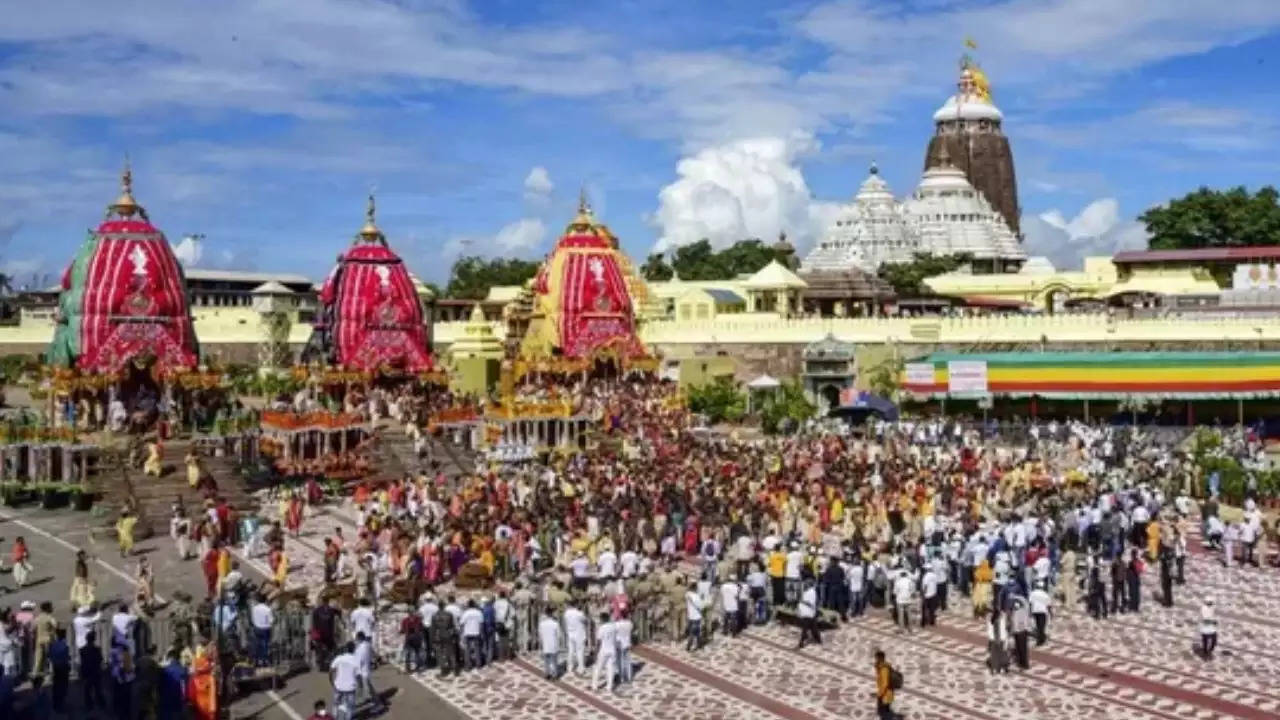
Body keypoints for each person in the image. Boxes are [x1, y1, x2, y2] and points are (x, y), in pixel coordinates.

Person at [354, 632, 385, 713]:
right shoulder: (368, 645)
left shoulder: (360, 649)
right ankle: (355, 703)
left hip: (362, 673)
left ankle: (378, 704)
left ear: (359, 639)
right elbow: (374, 654)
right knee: (364, 688)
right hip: (366, 671)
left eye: (356, 639)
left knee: (368, 690)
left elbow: (358, 662)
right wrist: (376, 660)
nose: (355, 641)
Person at [329, 642, 360, 720]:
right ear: (354, 649)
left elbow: (331, 670)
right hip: (350, 687)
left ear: (346, 649)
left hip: (338, 686)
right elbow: (358, 675)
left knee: (336, 704)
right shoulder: (356, 660)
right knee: (350, 707)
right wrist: (360, 686)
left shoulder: (339, 658)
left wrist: (332, 682)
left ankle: (335, 717)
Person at [159, 648, 189, 720]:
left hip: (166, 703)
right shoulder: (183, 670)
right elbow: (185, 687)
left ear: (170, 658)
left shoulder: (164, 671)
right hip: (179, 703)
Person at [80, 630, 105, 712]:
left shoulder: (82, 649)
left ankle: (89, 705)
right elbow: (100, 659)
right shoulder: (97, 649)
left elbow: (82, 662)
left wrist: (82, 673)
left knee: (87, 690)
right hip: (96, 671)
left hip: (87, 672)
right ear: (94, 639)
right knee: (98, 689)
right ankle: (100, 704)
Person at [592, 612, 617, 692]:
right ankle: (609, 687)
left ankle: (594, 685)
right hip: (612, 649)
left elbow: (599, 641)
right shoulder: (613, 627)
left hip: (603, 649)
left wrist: (596, 652)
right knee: (610, 668)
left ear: (602, 619)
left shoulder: (602, 628)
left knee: (598, 668)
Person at [874, 650, 902, 720]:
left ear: (880, 658)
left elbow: (885, 684)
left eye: (877, 658)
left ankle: (893, 717)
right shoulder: (883, 666)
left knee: (883, 713)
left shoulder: (884, 669)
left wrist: (879, 694)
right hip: (887, 694)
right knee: (885, 713)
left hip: (885, 695)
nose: (875, 660)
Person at [49, 628, 71, 713]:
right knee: (63, 687)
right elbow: (66, 658)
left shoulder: (53, 645)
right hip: (63, 668)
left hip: (56, 668)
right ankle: (61, 704)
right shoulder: (65, 646)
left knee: (56, 686)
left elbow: (50, 656)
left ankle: (56, 704)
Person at [564, 602, 588, 674]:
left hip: (570, 633)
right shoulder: (579, 613)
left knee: (571, 651)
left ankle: (569, 667)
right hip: (579, 634)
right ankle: (580, 668)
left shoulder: (566, 613)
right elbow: (585, 620)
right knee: (580, 651)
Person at [460, 600, 484, 670]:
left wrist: (461, 633)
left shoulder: (465, 613)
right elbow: (481, 624)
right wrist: (481, 633)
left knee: (467, 650)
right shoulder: (478, 613)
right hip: (476, 632)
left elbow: (462, 624)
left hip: (467, 633)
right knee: (477, 649)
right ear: (474, 605)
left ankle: (468, 666)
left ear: (468, 605)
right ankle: (478, 665)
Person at [538, 607, 561, 680]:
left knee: (546, 660)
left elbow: (540, 635)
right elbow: (559, 635)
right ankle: (554, 674)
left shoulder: (542, 624)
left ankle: (547, 673)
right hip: (553, 644)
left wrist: (541, 643)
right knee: (554, 661)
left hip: (545, 644)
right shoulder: (555, 624)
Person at [797, 579, 821, 648]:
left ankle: (801, 642)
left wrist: (802, 601)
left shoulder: (812, 593)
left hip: (808, 612)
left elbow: (811, 604)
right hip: (808, 612)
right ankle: (818, 639)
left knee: (805, 628)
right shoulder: (808, 592)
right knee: (814, 626)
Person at [684, 582, 704, 652]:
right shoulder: (696, 597)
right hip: (696, 617)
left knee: (697, 631)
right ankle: (688, 646)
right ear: (695, 588)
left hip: (690, 616)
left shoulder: (687, 594)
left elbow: (687, 591)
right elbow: (701, 607)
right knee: (693, 633)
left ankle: (700, 643)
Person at [615, 609, 634, 685]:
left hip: (619, 643)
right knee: (628, 661)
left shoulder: (617, 624)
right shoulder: (630, 623)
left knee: (620, 661)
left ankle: (621, 677)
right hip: (627, 643)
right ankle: (629, 677)